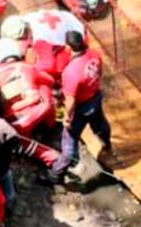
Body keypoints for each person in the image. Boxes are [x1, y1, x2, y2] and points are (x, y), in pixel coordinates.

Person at [50, 30, 112, 182]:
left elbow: (70, 100)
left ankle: (56, 174)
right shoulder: (94, 54)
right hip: (95, 98)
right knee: (100, 125)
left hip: (80, 108)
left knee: (69, 141)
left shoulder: (71, 72)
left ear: (68, 47)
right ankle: (107, 144)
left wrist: (67, 118)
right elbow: (100, 72)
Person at [0, 38, 56, 138]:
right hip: (34, 113)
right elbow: (50, 81)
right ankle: (51, 127)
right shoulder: (27, 67)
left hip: (11, 119)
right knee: (45, 89)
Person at [0, 10, 85, 79]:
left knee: (59, 68)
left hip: (77, 32)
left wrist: (27, 69)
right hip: (66, 17)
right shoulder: (24, 20)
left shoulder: (39, 40)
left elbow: (48, 65)